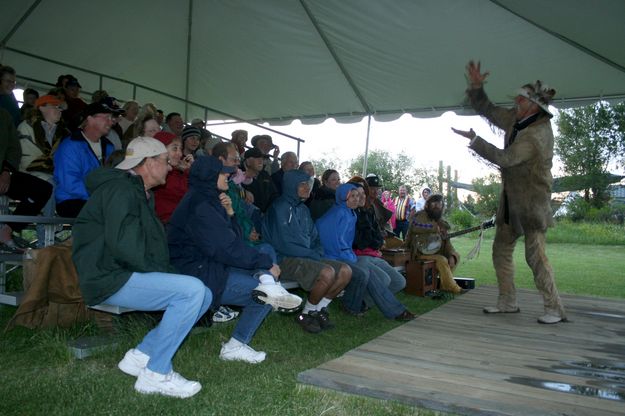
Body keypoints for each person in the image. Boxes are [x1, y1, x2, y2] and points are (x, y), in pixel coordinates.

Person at [72, 137, 211, 398]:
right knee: (192, 291)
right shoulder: (120, 190)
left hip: (123, 272)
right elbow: (124, 247)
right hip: (109, 277)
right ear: (148, 163)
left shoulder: (139, 193)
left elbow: (145, 249)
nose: (170, 167)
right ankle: (156, 374)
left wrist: (167, 273)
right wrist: (164, 274)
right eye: (165, 162)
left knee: (204, 293)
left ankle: (142, 355)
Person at [451, 60, 566, 324]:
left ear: (534, 105)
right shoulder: (518, 119)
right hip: (511, 202)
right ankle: (507, 302)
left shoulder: (536, 135)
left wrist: (475, 141)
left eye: (520, 100)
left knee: (535, 257)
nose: (515, 102)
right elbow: (489, 110)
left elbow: (505, 158)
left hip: (532, 204)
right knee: (500, 250)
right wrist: (477, 87)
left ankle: (554, 309)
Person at [168, 155, 302, 361]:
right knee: (264, 294)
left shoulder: (209, 199)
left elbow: (235, 242)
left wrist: (230, 213)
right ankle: (236, 345)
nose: (228, 176)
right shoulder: (200, 205)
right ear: (209, 176)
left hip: (212, 264)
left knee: (264, 258)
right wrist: (265, 263)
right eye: (222, 173)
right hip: (199, 271)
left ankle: (269, 283)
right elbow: (226, 248)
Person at [262, 169, 352, 333]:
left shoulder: (302, 209)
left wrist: (316, 251)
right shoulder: (279, 208)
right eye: (302, 185)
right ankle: (306, 314)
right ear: (291, 186)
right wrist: (312, 254)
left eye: (309, 184)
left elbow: (315, 237)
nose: (307, 188)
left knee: (345, 271)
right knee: (327, 272)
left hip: (306, 257)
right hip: (284, 260)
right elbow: (283, 244)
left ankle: (319, 309)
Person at [316, 183, 415, 321]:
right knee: (364, 272)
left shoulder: (351, 214)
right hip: (332, 256)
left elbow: (347, 243)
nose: (356, 199)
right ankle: (393, 311)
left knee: (370, 273)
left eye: (358, 195)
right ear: (343, 197)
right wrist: (350, 257)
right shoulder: (337, 213)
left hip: (346, 255)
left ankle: (355, 306)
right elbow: (330, 242)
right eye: (352, 196)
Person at [0, 108, 53, 251]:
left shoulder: (4, 115)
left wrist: (6, 172)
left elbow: (14, 147)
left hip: (3, 173)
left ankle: (7, 231)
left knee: (43, 188)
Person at [53, 102, 117, 217]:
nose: (111, 122)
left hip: (98, 199)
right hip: (71, 200)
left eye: (111, 118)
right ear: (90, 119)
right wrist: (100, 195)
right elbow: (69, 183)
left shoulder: (109, 147)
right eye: (106, 117)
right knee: (109, 215)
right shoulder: (71, 144)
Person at [404, 194, 464, 294]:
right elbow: (416, 227)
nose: (437, 206)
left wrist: (451, 255)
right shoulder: (419, 216)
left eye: (439, 203)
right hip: (418, 253)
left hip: (434, 252)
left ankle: (444, 285)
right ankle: (453, 288)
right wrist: (435, 228)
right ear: (427, 205)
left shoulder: (441, 222)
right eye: (434, 203)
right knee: (441, 259)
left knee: (455, 256)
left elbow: (446, 241)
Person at [241, 147, 279, 213]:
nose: (261, 161)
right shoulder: (237, 175)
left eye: (262, 158)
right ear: (248, 162)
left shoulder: (265, 175)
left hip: (265, 216)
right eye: (257, 158)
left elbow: (274, 195)